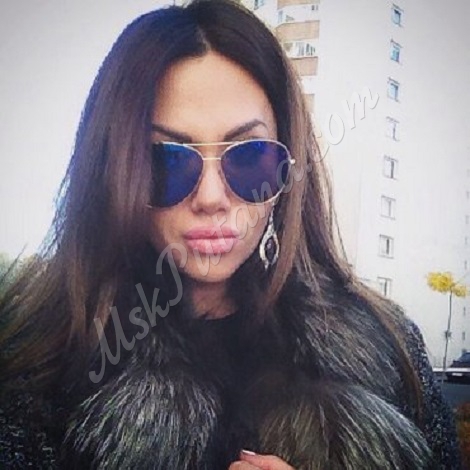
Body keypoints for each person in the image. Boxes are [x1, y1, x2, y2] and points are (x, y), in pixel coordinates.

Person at [0, 1, 461, 469]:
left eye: (250, 158)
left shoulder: (388, 345)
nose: (211, 197)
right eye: (166, 161)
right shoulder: (37, 361)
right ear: (114, 171)